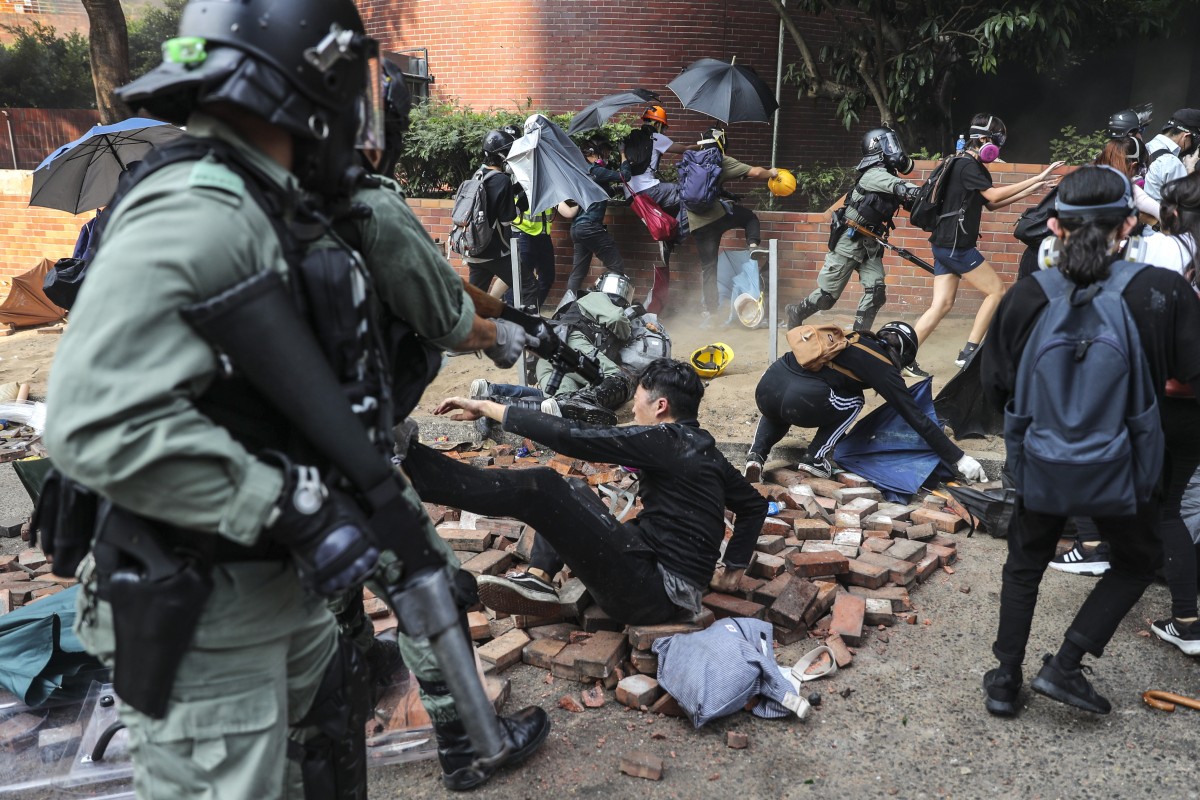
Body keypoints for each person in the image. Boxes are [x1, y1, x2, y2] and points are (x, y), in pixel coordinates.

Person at [43, 4, 546, 797]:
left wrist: (405, 543)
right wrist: (292, 506)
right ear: (309, 77)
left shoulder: (276, 205)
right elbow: (95, 420)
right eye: (354, 82)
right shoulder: (202, 210)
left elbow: (300, 417)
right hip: (208, 619)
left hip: (283, 598)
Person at [328, 63, 552, 789]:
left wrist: (502, 309)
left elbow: (436, 275)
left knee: (328, 593)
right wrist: (499, 337)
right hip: (346, 451)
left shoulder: (264, 201)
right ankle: (469, 745)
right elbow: (443, 317)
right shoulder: (365, 205)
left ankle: (342, 705)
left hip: (277, 458)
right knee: (432, 586)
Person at [980, 166, 1200, 716]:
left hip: (1042, 459)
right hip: (1125, 464)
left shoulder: (1027, 295)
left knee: (1024, 563)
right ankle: (1066, 663)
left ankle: (1005, 680)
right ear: (1130, 224)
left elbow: (995, 385)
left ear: (1054, 225)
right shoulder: (1162, 292)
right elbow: (1190, 376)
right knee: (1136, 558)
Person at [426, 358, 769, 625]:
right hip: (664, 585)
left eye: (637, 401)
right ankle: (539, 578)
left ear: (660, 406)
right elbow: (754, 506)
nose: (634, 410)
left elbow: (570, 436)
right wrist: (733, 570)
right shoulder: (706, 449)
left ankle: (431, 480)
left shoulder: (664, 441)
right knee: (575, 487)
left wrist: (487, 407)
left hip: (651, 596)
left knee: (545, 483)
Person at [908, 114, 1062, 378]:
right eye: (994, 142)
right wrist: (1038, 178)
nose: (996, 149)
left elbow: (990, 203)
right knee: (997, 292)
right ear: (982, 140)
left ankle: (904, 357)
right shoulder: (968, 166)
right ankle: (968, 352)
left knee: (941, 304)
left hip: (944, 243)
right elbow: (993, 195)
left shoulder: (963, 163)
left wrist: (1033, 190)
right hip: (956, 245)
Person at [743, 321, 986, 483]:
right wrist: (959, 458)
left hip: (767, 387)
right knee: (855, 401)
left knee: (779, 405)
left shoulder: (854, 337)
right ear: (904, 355)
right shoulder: (884, 367)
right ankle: (815, 459)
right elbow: (914, 416)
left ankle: (755, 457)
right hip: (803, 400)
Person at [785, 127, 920, 334]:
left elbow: (909, 200)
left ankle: (859, 338)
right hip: (849, 240)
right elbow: (902, 188)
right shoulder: (873, 175)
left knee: (876, 292)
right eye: (889, 144)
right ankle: (796, 312)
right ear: (878, 148)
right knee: (826, 298)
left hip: (871, 243)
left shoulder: (886, 175)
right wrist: (921, 191)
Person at [471, 272, 649, 426]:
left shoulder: (572, 306)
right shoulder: (596, 297)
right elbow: (616, 318)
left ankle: (492, 395)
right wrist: (627, 331)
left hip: (548, 356)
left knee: (560, 405)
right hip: (571, 345)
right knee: (617, 379)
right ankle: (585, 400)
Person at [685, 128, 778, 322]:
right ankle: (753, 246)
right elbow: (755, 172)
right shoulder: (719, 159)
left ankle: (711, 312)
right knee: (749, 217)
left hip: (696, 223)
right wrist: (771, 172)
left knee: (709, 268)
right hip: (717, 217)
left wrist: (728, 195)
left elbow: (703, 189)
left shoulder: (690, 161)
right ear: (721, 143)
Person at [463, 128, 537, 308]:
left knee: (474, 300)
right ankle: (530, 332)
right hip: (494, 251)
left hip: (474, 250)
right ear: (502, 155)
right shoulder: (502, 180)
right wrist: (520, 206)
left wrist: (515, 191)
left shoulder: (478, 175)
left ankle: (466, 331)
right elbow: (506, 219)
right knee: (528, 286)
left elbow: (491, 200)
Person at [560, 136, 626, 299]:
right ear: (594, 153)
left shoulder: (583, 173)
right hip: (590, 227)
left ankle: (568, 307)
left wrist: (615, 189)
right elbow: (625, 176)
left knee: (578, 273)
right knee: (616, 265)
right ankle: (604, 299)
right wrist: (623, 155)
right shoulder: (597, 171)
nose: (606, 156)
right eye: (603, 153)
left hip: (577, 228)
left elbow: (604, 191)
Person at [1143, 108, 1200, 202]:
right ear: (1185, 136)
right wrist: (1190, 170)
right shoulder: (1171, 162)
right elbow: (1184, 203)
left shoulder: (1147, 147)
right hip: (1159, 215)